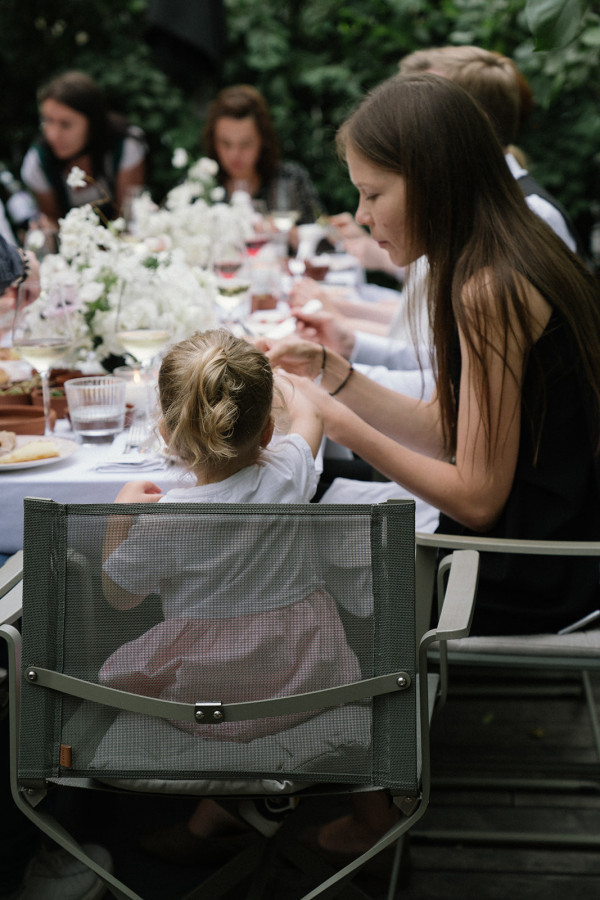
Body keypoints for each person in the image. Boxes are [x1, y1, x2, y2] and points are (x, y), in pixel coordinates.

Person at [264, 70, 600, 863]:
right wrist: (334, 374)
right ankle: (290, 788)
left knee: (284, 557)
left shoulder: (490, 285)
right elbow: (451, 433)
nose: (361, 216)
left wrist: (337, 420)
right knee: (303, 523)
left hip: (536, 568)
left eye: (373, 193)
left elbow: (477, 497)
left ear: (433, 178)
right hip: (533, 531)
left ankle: (349, 795)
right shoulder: (489, 254)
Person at [100, 329, 359, 864]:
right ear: (267, 430)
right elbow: (311, 417)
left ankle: (226, 808)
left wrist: (120, 515)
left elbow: (118, 597)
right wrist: (283, 380)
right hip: (305, 679)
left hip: (208, 697)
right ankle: (254, 804)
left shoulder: (166, 519)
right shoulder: (287, 473)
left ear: (167, 434)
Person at [21, 71, 147, 228]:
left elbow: (129, 216)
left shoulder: (125, 145)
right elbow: (54, 224)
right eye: (47, 120)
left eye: (65, 124)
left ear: (92, 123)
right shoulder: (38, 163)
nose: (52, 135)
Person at [202, 84, 323, 224]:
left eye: (245, 144)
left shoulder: (289, 179)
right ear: (213, 141)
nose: (234, 154)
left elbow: (325, 235)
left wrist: (293, 235)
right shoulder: (198, 186)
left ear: (263, 140)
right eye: (226, 144)